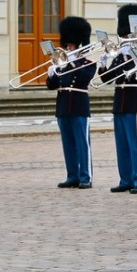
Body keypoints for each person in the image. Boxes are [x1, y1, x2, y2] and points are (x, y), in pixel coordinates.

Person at [99, 4, 137, 194]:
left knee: (135, 143)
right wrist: (104, 62)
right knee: (122, 145)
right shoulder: (120, 53)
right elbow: (106, 78)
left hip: (134, 99)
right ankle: (126, 178)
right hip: (119, 100)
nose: (125, 37)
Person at [47, 16, 98, 189]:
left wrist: (73, 61)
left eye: (71, 45)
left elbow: (84, 79)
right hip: (63, 106)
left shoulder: (88, 63)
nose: (68, 48)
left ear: (79, 44)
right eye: (67, 45)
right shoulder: (62, 63)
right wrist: (52, 72)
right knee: (68, 144)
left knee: (82, 143)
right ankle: (72, 175)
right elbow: (52, 85)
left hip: (79, 105)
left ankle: (86, 176)